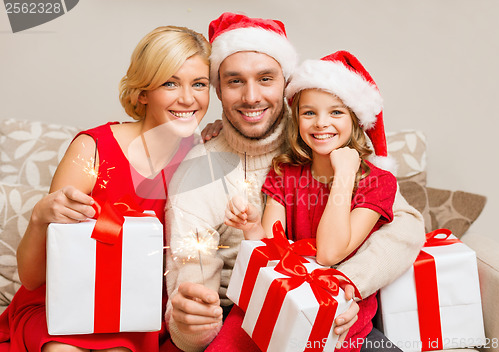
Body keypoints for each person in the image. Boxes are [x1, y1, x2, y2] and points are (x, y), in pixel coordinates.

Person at [165, 12, 425, 352]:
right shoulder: (203, 174)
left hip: (344, 312)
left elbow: (406, 224)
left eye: (266, 79)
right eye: (235, 81)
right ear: (218, 88)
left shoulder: (319, 137)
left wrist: (347, 287)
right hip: (252, 312)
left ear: (287, 83)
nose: (251, 96)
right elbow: (197, 299)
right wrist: (191, 322)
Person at [0, 26, 211, 352]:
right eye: (170, 83)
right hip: (60, 306)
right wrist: (39, 217)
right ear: (143, 93)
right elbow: (31, 279)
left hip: (132, 314)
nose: (187, 98)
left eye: (199, 84)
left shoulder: (200, 158)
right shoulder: (93, 148)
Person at [226, 50, 400, 351]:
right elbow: (271, 252)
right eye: (309, 113)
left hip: (340, 310)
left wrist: (344, 174)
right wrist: (252, 228)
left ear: (356, 119)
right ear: (297, 118)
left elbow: (329, 254)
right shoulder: (285, 172)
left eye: (336, 112)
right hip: (284, 297)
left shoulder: (378, 183)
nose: (321, 123)